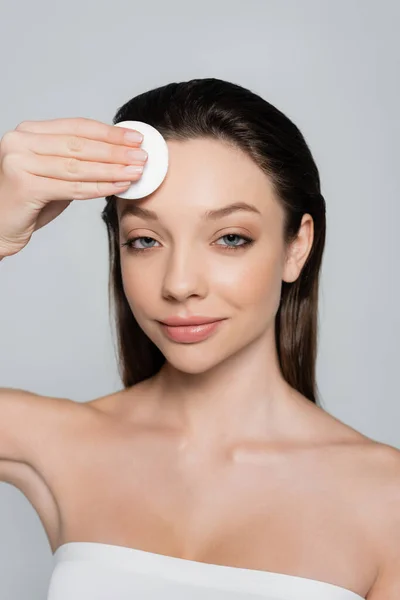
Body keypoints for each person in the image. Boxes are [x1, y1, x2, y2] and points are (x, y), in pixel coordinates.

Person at [0, 78, 398, 600]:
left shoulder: (387, 501)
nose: (179, 283)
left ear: (296, 246)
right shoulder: (57, 443)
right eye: (145, 240)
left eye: (230, 238)